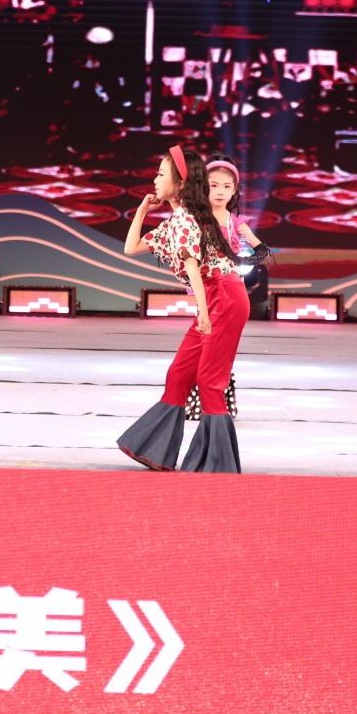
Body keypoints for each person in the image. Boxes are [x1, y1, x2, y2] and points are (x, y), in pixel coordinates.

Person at [116, 145, 250, 472]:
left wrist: (202, 311)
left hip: (225, 296)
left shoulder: (188, 217)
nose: (155, 179)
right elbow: (131, 247)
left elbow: (192, 266)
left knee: (209, 380)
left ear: (179, 184)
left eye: (161, 174)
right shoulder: (175, 220)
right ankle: (157, 450)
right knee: (178, 375)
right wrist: (142, 211)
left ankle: (216, 462)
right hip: (212, 297)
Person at [185, 154, 271, 421]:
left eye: (226, 186)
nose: (220, 192)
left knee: (218, 348)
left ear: (234, 191)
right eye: (213, 185)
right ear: (203, 187)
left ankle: (216, 404)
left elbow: (262, 249)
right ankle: (199, 403)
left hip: (229, 291)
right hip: (206, 289)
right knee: (204, 345)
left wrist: (237, 261)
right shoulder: (193, 219)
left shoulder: (236, 223)